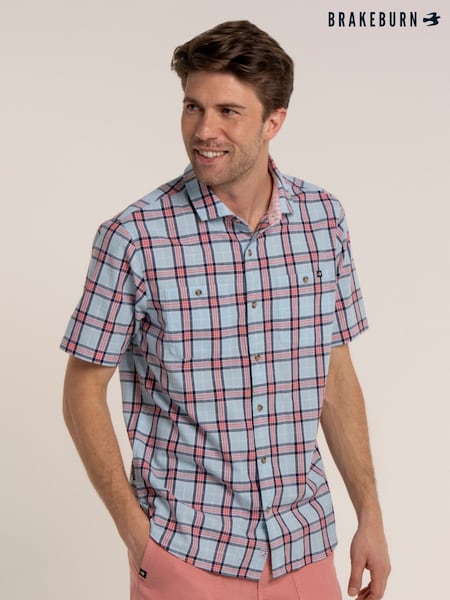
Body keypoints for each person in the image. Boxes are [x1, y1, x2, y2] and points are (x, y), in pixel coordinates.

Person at [61, 20, 390, 600]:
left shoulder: (323, 220)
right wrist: (138, 537)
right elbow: (82, 391)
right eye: (193, 106)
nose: (203, 130)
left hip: (304, 547)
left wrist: (370, 513)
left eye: (228, 112)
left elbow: (334, 374)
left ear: (274, 121)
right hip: (186, 556)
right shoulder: (134, 237)